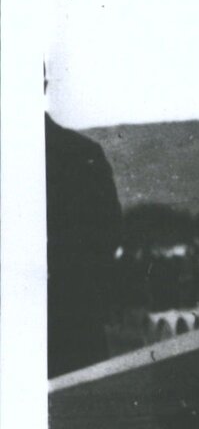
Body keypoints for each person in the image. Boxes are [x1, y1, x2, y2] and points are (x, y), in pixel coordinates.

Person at [45, 109, 123, 376]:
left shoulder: (80, 154)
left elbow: (106, 236)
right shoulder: (81, 152)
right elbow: (108, 236)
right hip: (76, 323)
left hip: (70, 325)